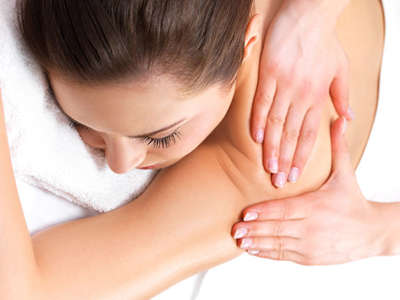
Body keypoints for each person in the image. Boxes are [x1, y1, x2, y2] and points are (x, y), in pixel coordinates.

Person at [0, 0, 386, 299]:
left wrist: (384, 234)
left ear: (244, 48)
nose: (120, 164)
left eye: (160, 137)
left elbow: (25, 292)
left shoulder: (278, 152)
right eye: (85, 125)